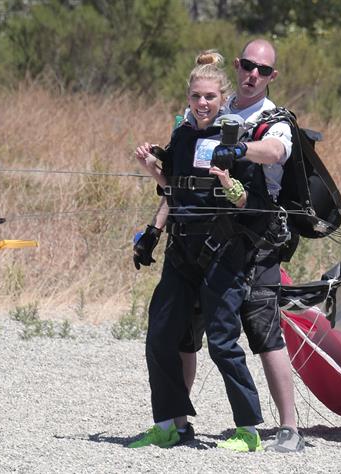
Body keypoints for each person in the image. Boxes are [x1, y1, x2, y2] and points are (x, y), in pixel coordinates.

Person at [134, 39, 305, 453]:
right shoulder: (184, 133)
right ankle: (171, 424)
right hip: (184, 249)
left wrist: (232, 181)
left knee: (236, 337)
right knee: (165, 336)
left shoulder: (252, 131)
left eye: (210, 97)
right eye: (196, 96)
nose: (202, 103)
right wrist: (152, 202)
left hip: (238, 245)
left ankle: (261, 428)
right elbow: (174, 190)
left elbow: (257, 185)